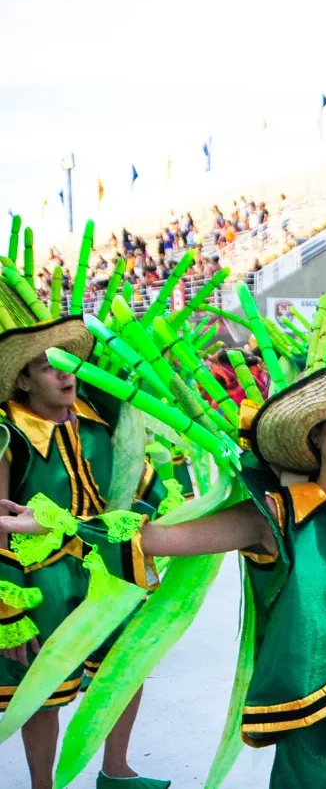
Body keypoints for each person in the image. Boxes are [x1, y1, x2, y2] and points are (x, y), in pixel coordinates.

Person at [1, 355, 326, 788]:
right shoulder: (274, 514)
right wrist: (58, 523)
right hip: (321, 708)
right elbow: (161, 538)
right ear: (316, 437)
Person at [0, 314, 170, 789]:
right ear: (22, 379)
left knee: (125, 666)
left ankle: (116, 771)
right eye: (47, 366)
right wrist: (9, 608)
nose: (65, 373)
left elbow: (134, 480)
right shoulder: (7, 430)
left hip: (110, 568)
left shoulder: (100, 418)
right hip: (41, 579)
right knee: (43, 688)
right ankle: (42, 787)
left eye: (67, 362)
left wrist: (158, 524)